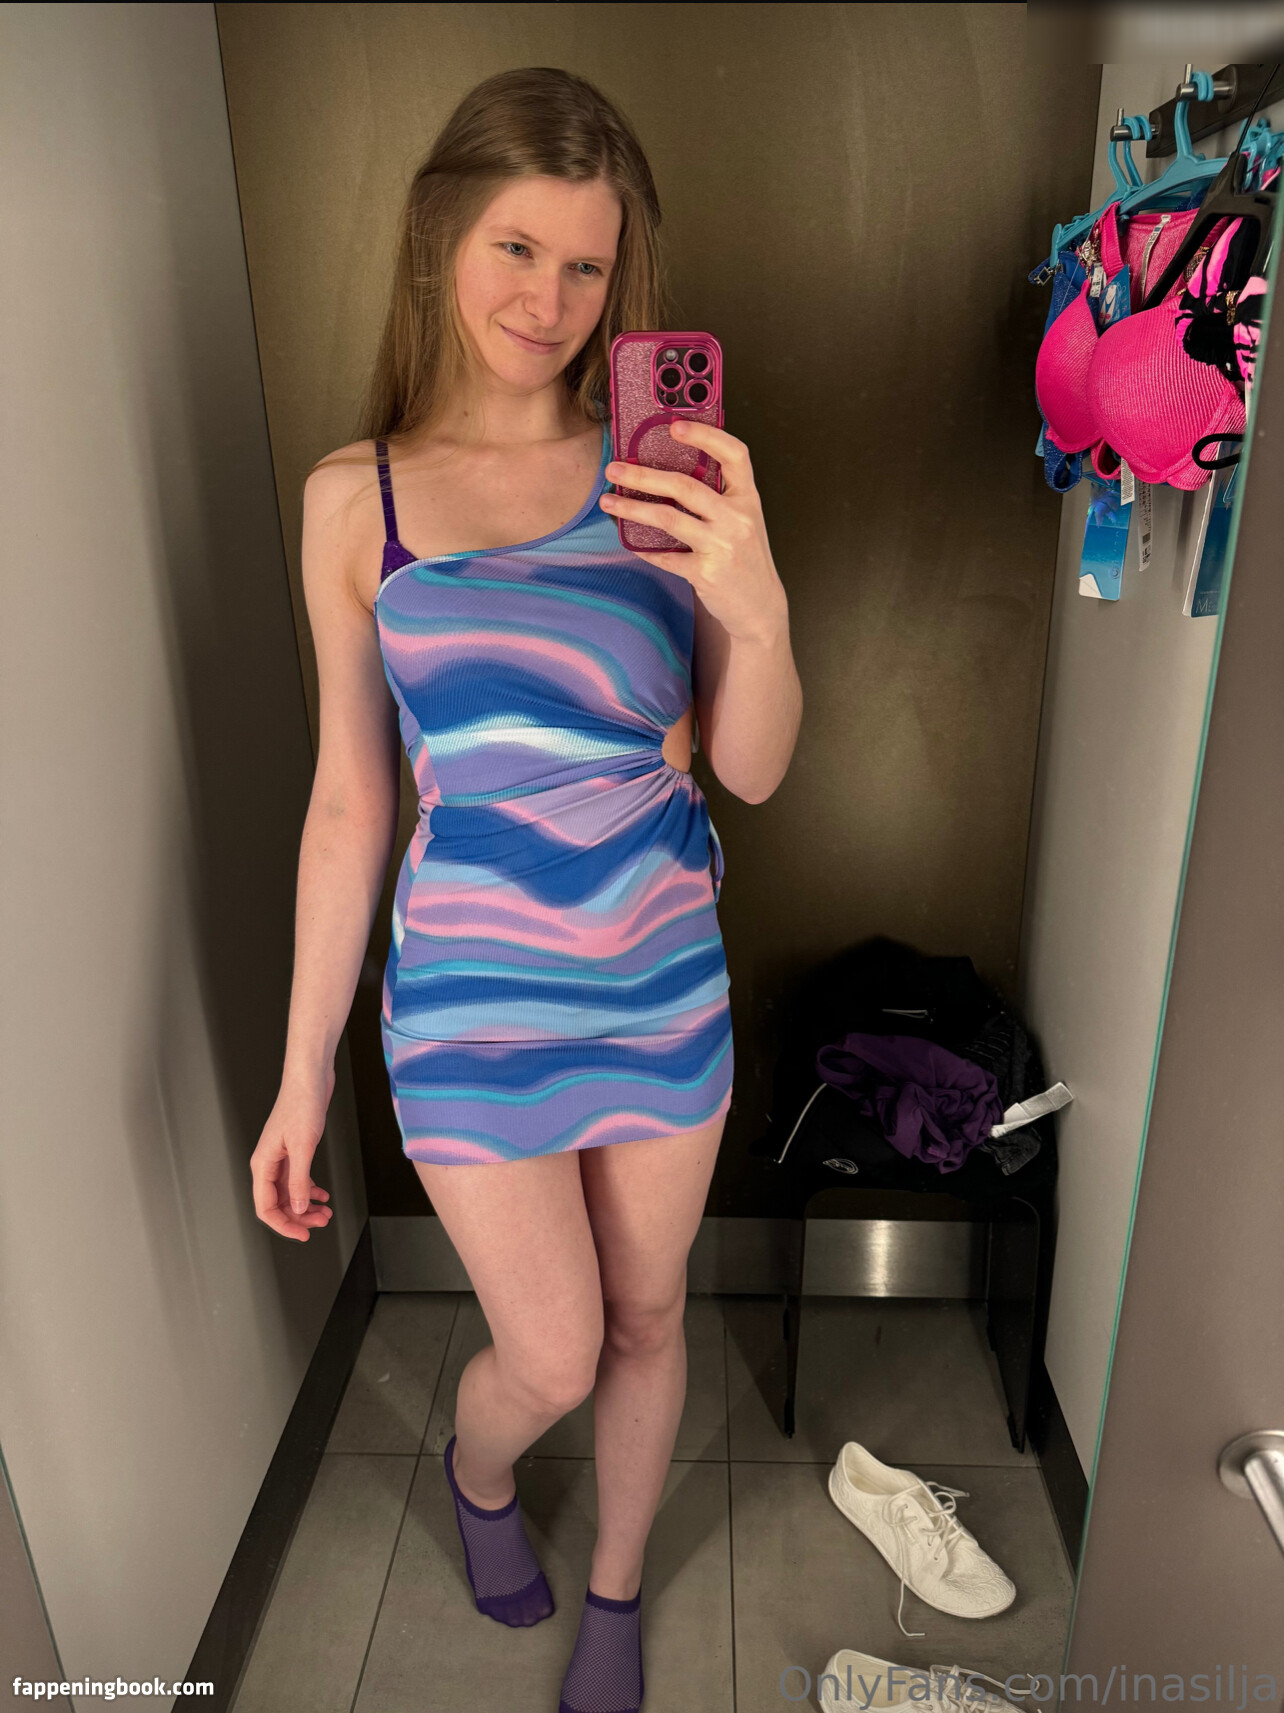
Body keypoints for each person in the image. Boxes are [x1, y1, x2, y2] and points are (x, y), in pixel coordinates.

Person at [250, 65, 801, 1712]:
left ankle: (617, 1586)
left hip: (660, 982)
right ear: (443, 234)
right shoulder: (353, 501)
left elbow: (753, 766)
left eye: (583, 266)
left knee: (648, 1321)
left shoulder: (670, 479)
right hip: (469, 1009)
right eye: (514, 248)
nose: (546, 301)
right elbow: (350, 800)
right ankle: (481, 1471)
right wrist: (301, 1076)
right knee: (550, 1350)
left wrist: (757, 603)